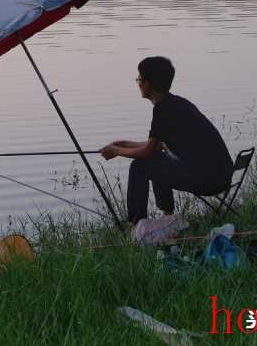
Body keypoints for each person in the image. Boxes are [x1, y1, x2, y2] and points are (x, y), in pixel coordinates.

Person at [100, 56, 233, 224]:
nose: (138, 83)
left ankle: (135, 225)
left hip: (208, 180)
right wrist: (123, 144)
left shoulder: (163, 111)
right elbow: (157, 145)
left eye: (140, 79)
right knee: (154, 159)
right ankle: (167, 216)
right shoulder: (176, 104)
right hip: (220, 175)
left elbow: (148, 150)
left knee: (140, 166)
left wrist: (117, 151)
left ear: (148, 83)